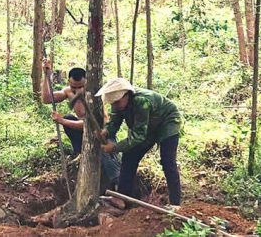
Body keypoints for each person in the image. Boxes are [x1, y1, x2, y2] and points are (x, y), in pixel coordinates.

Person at [96, 77, 182, 209]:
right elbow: (114, 122)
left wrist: (115, 147)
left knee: (167, 161)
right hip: (147, 126)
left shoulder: (142, 101)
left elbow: (138, 136)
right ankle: (122, 197)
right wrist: (106, 131)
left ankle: (175, 203)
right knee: (130, 156)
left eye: (117, 102)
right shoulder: (118, 105)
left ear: (126, 96)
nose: (114, 106)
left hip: (167, 122)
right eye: (113, 103)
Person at [41, 60, 120, 187]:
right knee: (69, 118)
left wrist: (62, 121)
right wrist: (46, 75)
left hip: (101, 133)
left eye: (81, 87)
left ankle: (117, 185)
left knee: (108, 160)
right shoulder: (68, 92)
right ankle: (79, 152)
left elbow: (92, 125)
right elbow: (46, 99)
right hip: (83, 133)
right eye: (74, 87)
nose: (78, 90)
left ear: (87, 82)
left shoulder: (95, 95)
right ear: (69, 83)